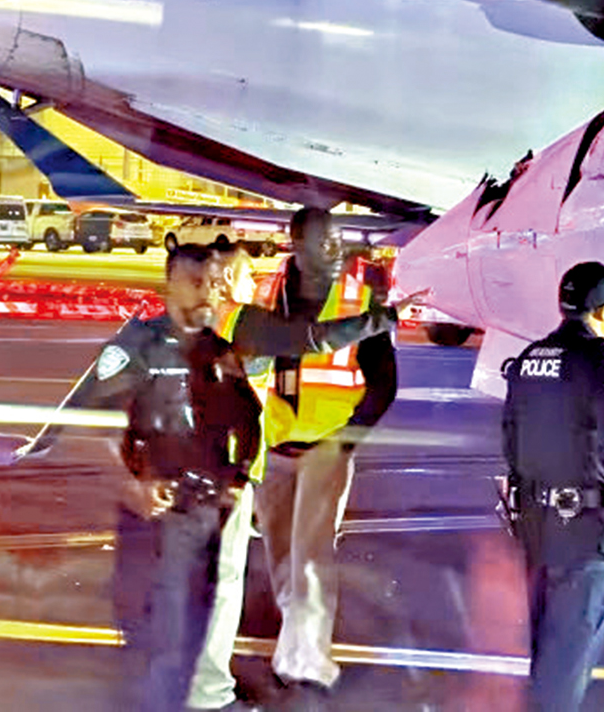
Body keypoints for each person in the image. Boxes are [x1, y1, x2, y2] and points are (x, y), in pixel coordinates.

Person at [72, 243, 398, 712]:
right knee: (163, 598)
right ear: (171, 284)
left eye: (214, 282)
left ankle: (203, 693)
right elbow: (90, 420)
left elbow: (258, 400)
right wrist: (133, 482)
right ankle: (180, 693)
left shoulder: (222, 347)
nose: (209, 292)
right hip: (159, 495)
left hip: (214, 492)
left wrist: (240, 476)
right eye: (197, 282)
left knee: (216, 593)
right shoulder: (137, 344)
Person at [252, 207, 402, 705]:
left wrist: (346, 440)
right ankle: (294, 649)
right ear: (296, 243)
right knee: (282, 557)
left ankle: (308, 663)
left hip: (326, 444)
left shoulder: (359, 300)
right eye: (323, 241)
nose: (335, 250)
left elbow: (384, 385)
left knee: (311, 558)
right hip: (275, 444)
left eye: (337, 240)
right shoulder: (265, 295)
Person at [502, 260, 604, 712]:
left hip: (536, 520)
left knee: (546, 646)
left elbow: (510, 434)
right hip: (585, 527)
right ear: (602, 311)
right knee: (570, 654)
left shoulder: (530, 358)